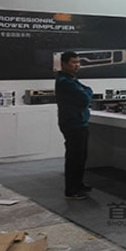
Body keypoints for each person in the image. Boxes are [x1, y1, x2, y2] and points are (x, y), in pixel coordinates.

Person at [55, 51, 94, 200]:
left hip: (79, 122)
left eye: (78, 62)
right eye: (73, 62)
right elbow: (85, 98)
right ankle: (72, 190)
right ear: (64, 64)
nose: (77, 65)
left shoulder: (71, 80)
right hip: (73, 123)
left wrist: (86, 91)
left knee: (81, 156)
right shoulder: (64, 81)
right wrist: (87, 92)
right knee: (75, 157)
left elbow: (87, 91)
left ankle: (78, 184)